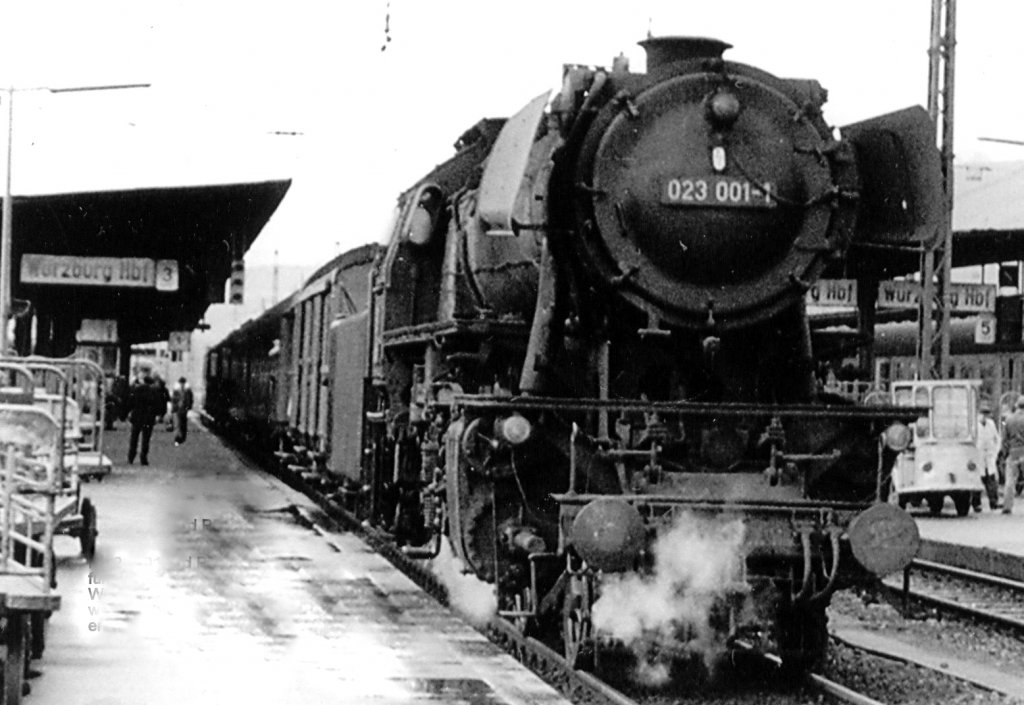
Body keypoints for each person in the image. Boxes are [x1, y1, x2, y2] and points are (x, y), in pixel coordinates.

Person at [126, 371, 163, 466]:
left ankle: (131, 457)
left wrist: (128, 412)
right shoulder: (155, 391)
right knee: (146, 439)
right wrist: (158, 415)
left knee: (134, 438)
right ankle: (143, 458)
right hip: (148, 418)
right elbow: (157, 405)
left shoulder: (137, 389)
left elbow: (130, 402)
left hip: (137, 416)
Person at [999, 396, 1024, 514]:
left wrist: (1004, 453)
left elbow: (1004, 439)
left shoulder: (1008, 419)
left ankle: (1007, 506)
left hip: (1013, 452)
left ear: (1016, 406)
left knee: (1009, 480)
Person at [976, 400, 1001, 511]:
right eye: (983, 413)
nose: (985, 416)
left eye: (986, 413)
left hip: (990, 455)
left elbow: (997, 438)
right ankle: (976, 503)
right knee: (978, 479)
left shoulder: (991, 424)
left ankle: (993, 502)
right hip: (979, 455)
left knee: (991, 479)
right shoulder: (974, 425)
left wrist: (996, 452)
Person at [171, 377, 194, 446]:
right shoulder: (177, 390)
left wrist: (188, 407)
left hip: (183, 410)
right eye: (181, 383)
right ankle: (178, 438)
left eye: (183, 383)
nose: (182, 384)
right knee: (178, 424)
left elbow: (190, 400)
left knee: (183, 424)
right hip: (178, 410)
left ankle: (182, 437)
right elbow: (173, 400)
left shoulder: (187, 391)